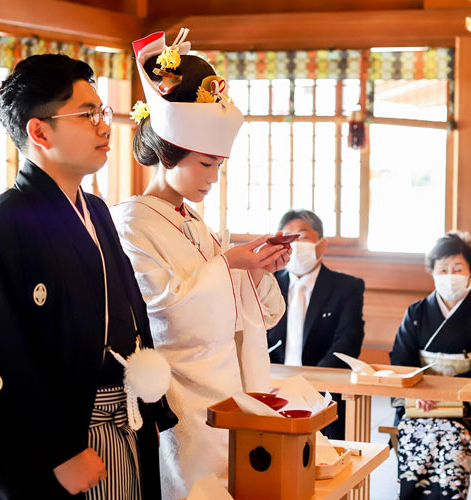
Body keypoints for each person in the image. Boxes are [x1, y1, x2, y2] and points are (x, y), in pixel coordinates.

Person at [0, 54, 175, 500]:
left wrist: (152, 405)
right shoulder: (4, 223)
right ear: (39, 131)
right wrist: (59, 450)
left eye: (102, 112)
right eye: (88, 114)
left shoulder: (98, 212)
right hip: (64, 435)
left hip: (122, 418)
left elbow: (130, 316)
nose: (105, 126)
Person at [110, 30, 288, 500]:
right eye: (205, 164)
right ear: (168, 153)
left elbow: (259, 314)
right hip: (182, 392)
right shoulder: (130, 222)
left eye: (218, 167)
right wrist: (229, 262)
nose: (212, 178)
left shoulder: (195, 222)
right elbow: (163, 317)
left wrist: (256, 269)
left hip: (228, 382)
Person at [389, 231, 471, 499]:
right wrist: (419, 394)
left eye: (457, 268)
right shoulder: (416, 313)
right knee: (416, 435)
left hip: (465, 411)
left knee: (450, 436)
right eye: (442, 269)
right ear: (431, 271)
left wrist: (442, 397)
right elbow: (401, 361)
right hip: (418, 405)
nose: (450, 275)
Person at [266, 209, 365, 439]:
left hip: (323, 393)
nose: (294, 243)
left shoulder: (347, 287)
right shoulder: (268, 285)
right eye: (287, 237)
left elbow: (347, 342)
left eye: (302, 236)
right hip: (271, 389)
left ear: (321, 245)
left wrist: (310, 386)